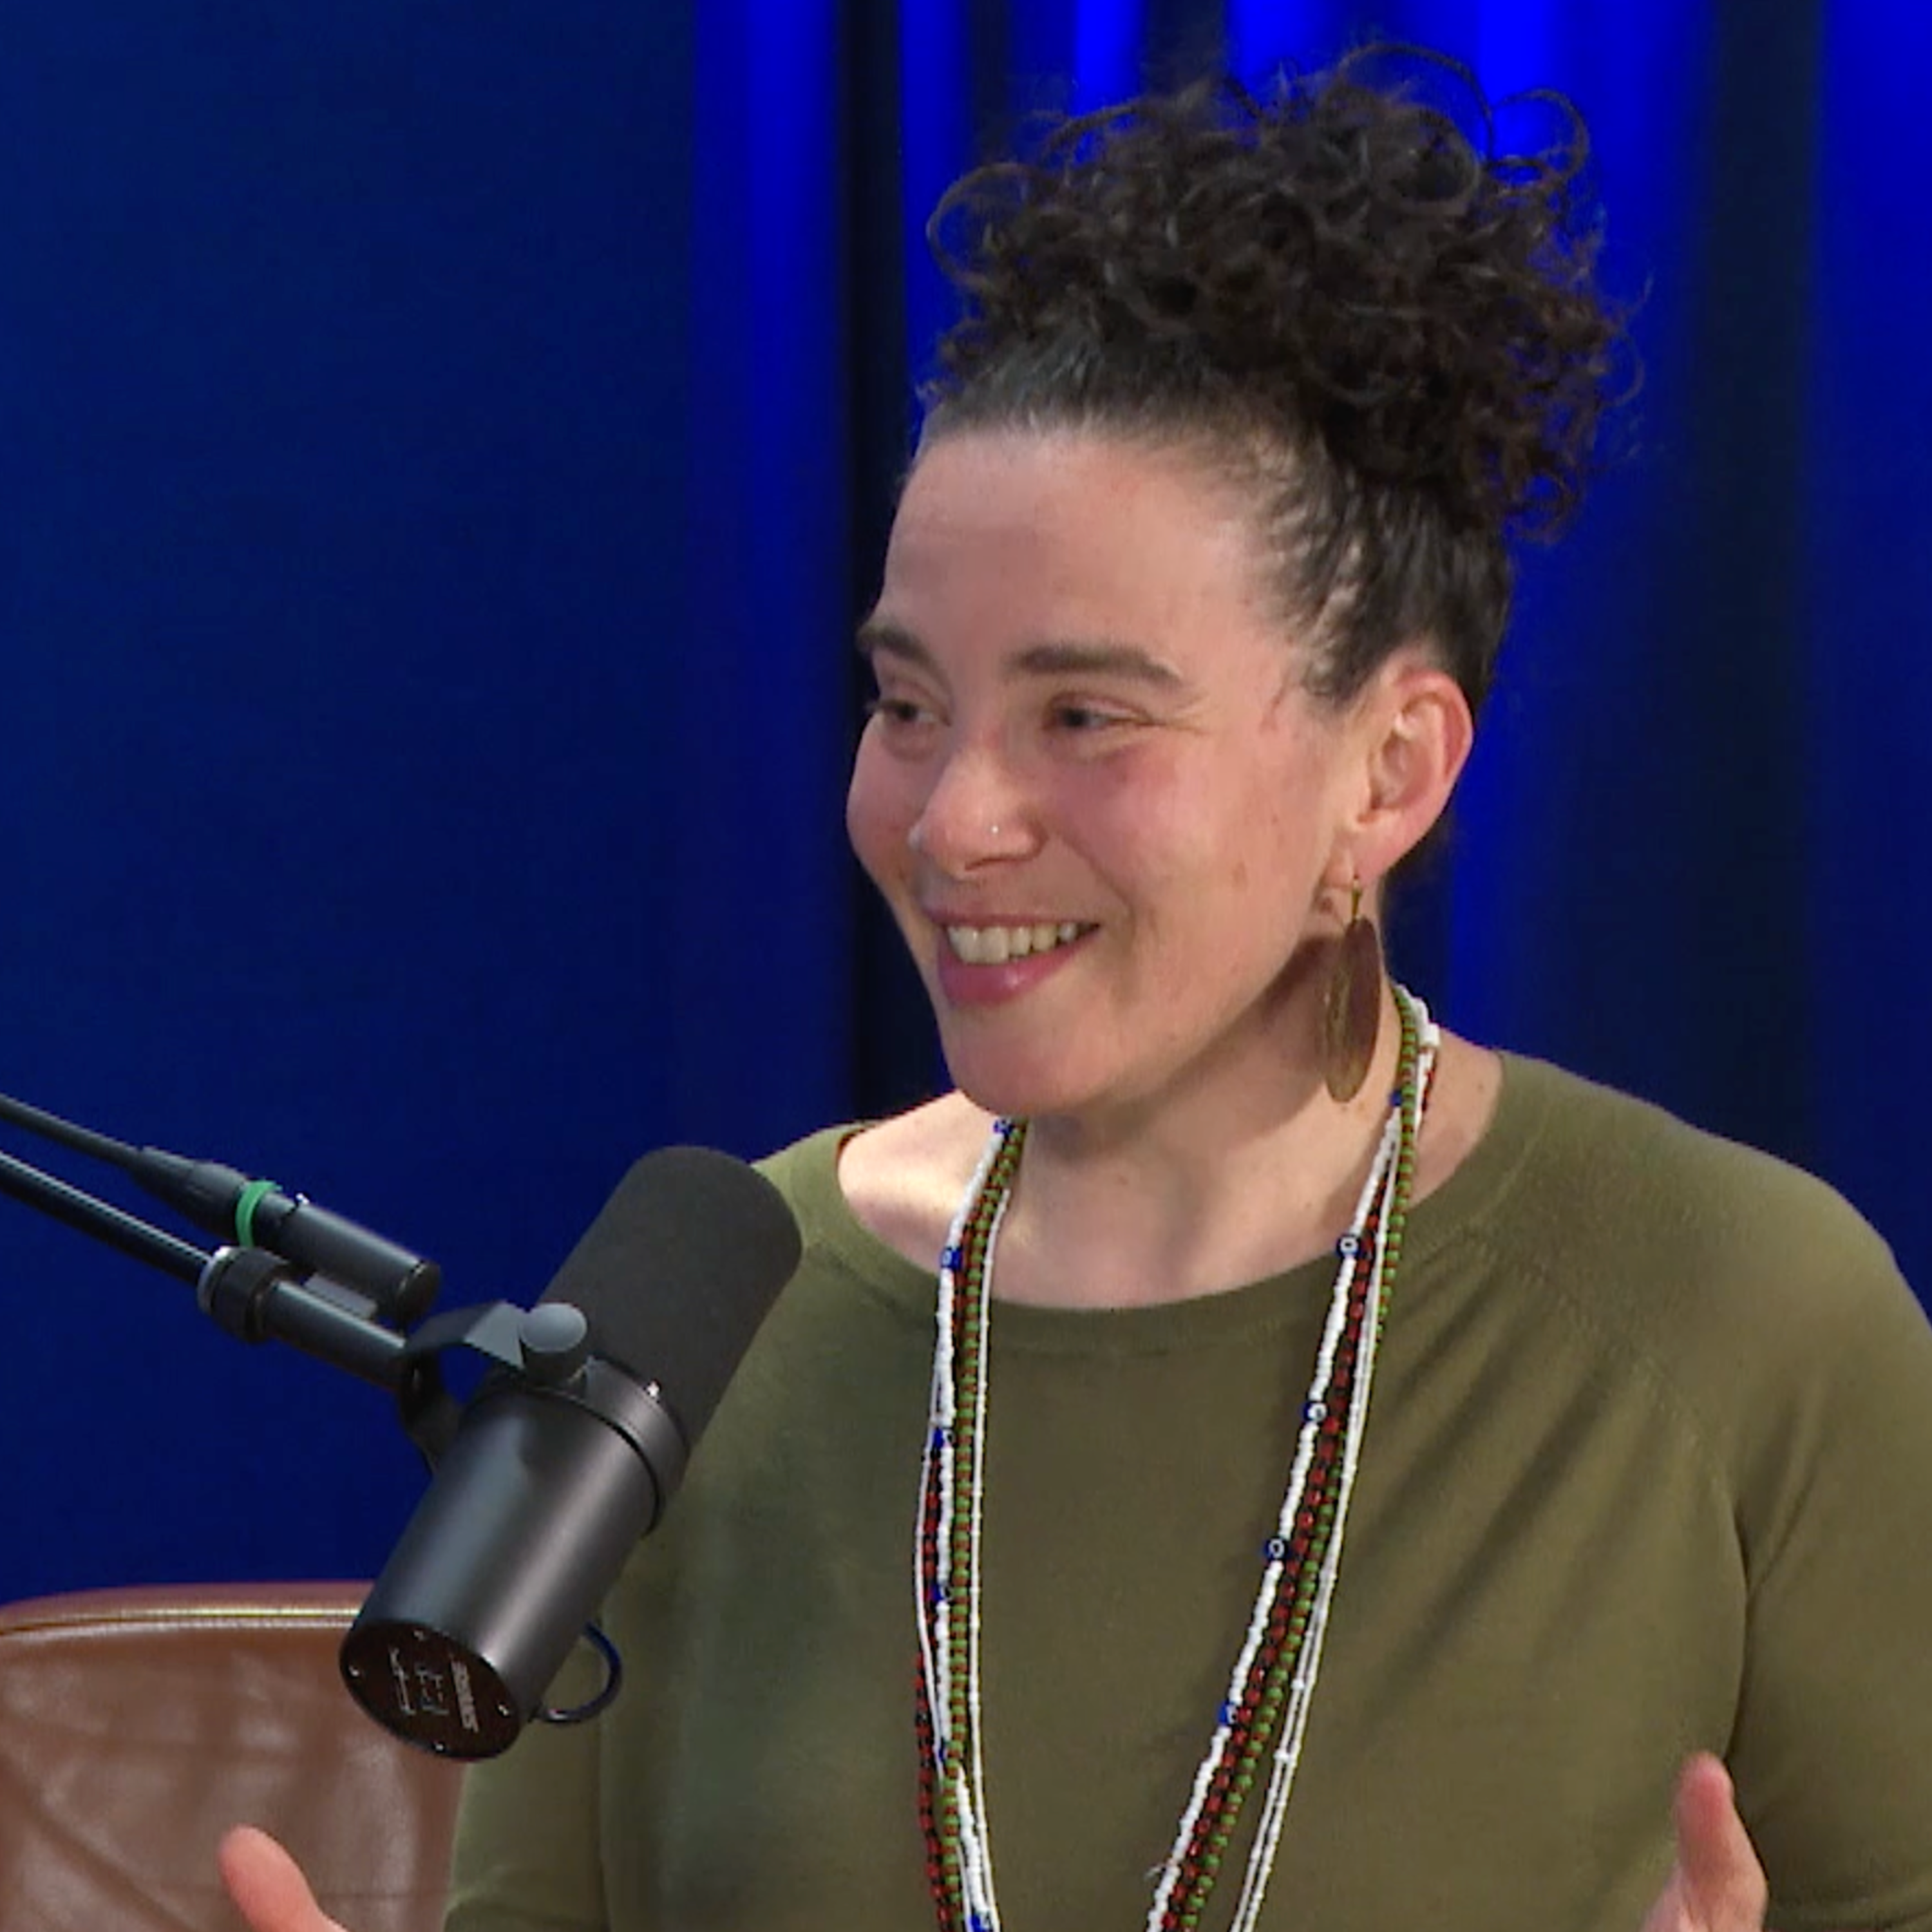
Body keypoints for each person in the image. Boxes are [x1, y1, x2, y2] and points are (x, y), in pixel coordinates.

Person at [221, 45, 1932, 1932]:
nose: (953, 822)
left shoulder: (1750, 1324)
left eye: (1085, 717)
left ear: (1391, 773)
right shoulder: (693, 1335)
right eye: (906, 703)